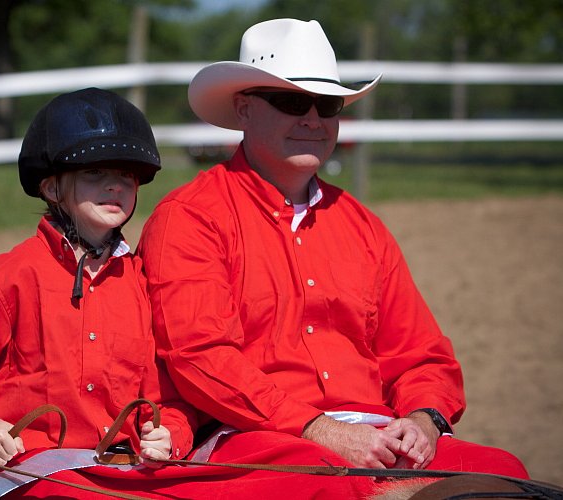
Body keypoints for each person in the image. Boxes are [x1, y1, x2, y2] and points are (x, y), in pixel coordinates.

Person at [137, 18, 530, 495]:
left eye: (327, 105)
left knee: (504, 475)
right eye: (291, 102)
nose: (312, 119)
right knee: (329, 490)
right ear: (243, 110)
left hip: (375, 434)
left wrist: (424, 420)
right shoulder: (191, 218)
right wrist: (319, 430)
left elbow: (421, 355)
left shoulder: (362, 225)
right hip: (253, 437)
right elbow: (200, 357)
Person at [0, 88, 197, 497]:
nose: (115, 186)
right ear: (51, 189)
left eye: (126, 176)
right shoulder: (6, 278)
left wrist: (172, 432)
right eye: (95, 173)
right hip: (31, 475)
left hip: (121, 474)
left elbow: (174, 394)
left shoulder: (147, 283)